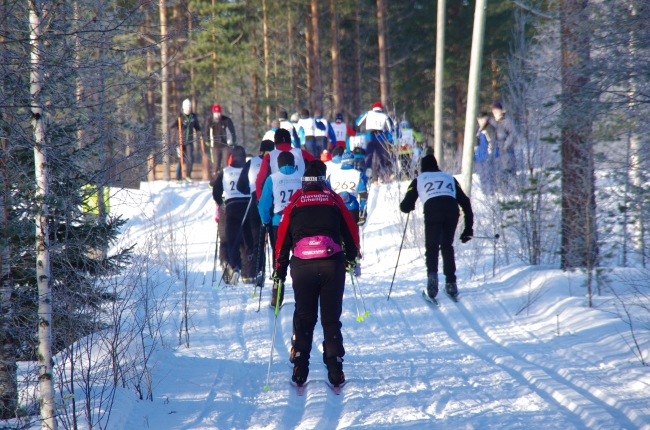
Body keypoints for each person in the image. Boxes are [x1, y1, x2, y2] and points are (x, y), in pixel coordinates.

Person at [273, 161, 360, 388]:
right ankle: (335, 369)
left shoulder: (295, 203)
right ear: (323, 181)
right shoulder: (333, 199)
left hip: (303, 266)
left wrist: (279, 270)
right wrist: (352, 256)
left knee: (304, 318)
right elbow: (350, 229)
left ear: (304, 182)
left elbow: (282, 239)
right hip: (332, 263)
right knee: (331, 319)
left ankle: (300, 367)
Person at [399, 155, 473, 299]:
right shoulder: (449, 178)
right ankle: (451, 283)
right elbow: (465, 202)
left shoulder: (419, 179)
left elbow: (404, 206)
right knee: (447, 246)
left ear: (422, 167)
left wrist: (410, 206)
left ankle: (432, 280)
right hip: (452, 209)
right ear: (436, 165)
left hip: (432, 209)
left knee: (432, 248)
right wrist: (468, 229)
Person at [258, 151, 303, 302]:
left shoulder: (272, 178)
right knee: (300, 255)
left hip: (279, 223)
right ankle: (302, 290)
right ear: (294, 164)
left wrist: (266, 220)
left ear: (278, 165)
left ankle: (277, 292)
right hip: (298, 222)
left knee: (279, 257)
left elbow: (264, 204)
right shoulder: (301, 177)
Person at [212, 146, 254, 285]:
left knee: (231, 240)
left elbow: (216, 192)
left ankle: (234, 267)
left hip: (231, 206)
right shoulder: (248, 170)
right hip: (247, 206)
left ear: (232, 157)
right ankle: (250, 273)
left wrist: (220, 203)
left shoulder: (225, 171)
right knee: (248, 240)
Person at [236, 139, 276, 285]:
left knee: (257, 241)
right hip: (273, 201)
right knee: (274, 238)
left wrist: (251, 192)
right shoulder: (275, 161)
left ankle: (259, 273)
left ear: (260, 150)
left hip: (255, 201)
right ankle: (276, 272)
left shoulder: (251, 162)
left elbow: (240, 186)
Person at [254, 129, 316, 201]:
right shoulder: (302, 153)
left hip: (278, 202)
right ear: (290, 141)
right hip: (301, 201)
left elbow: (260, 181)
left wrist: (262, 201)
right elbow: (319, 169)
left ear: (275, 143)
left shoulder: (269, 156)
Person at [356, 102, 394, 183]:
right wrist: (390, 140)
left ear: (373, 108)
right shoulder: (384, 116)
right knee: (380, 159)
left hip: (369, 138)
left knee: (368, 158)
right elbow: (390, 129)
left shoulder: (368, 113)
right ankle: (382, 177)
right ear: (381, 109)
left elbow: (358, 122)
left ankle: (367, 177)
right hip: (380, 139)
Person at [328, 151, 369, 226]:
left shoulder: (331, 175)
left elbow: (326, 193)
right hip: (353, 209)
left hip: (336, 209)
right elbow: (363, 195)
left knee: (338, 236)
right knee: (353, 236)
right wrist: (362, 212)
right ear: (353, 162)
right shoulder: (359, 174)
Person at [205, 103, 237, 184]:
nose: (218, 114)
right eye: (216, 113)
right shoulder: (210, 121)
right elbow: (207, 132)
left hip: (226, 145)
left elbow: (232, 131)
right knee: (216, 164)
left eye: (219, 112)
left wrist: (234, 141)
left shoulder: (226, 120)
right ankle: (214, 182)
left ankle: (227, 181)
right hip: (215, 146)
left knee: (226, 164)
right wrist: (207, 141)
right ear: (213, 113)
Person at [171, 99, 201, 183]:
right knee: (181, 159)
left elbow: (197, 127)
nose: (188, 109)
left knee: (190, 159)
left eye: (189, 107)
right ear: (183, 108)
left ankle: (188, 175)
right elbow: (171, 125)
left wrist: (199, 132)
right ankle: (178, 177)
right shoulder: (180, 116)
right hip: (180, 141)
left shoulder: (193, 117)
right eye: (187, 107)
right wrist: (176, 120)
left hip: (189, 141)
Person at [489, 102, 518, 175]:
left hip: (506, 147)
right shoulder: (491, 122)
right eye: (493, 110)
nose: (495, 112)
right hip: (496, 147)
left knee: (508, 169)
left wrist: (507, 144)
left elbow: (513, 133)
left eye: (497, 110)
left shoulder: (507, 121)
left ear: (501, 111)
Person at [475, 113, 498, 195]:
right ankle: (485, 193)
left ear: (486, 118)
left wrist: (490, 154)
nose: (480, 121)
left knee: (489, 176)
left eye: (482, 118)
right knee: (482, 176)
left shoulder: (489, 128)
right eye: (479, 119)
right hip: (479, 157)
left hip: (487, 157)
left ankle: (491, 193)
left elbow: (492, 142)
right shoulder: (478, 130)